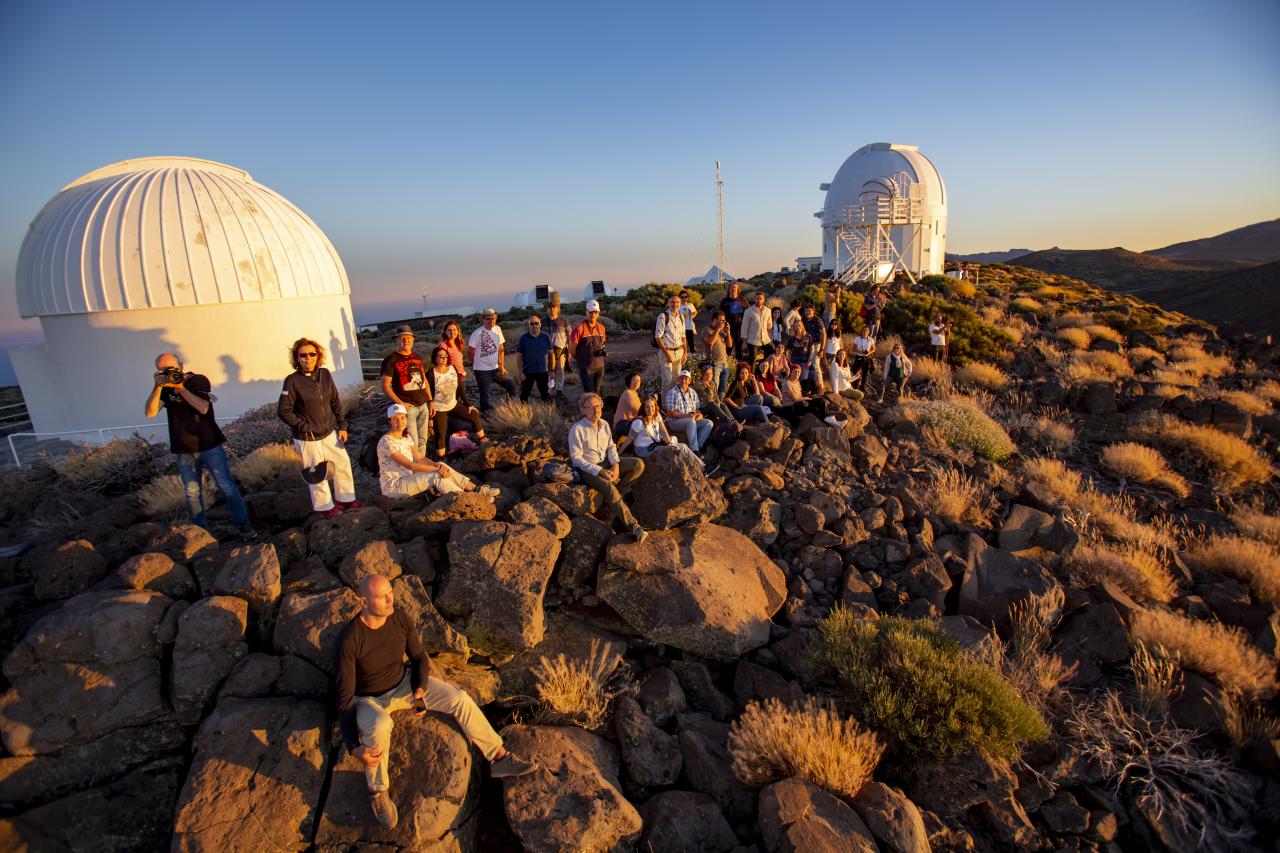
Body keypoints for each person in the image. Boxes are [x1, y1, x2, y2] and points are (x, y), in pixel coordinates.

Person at [337, 573, 535, 829]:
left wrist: (419, 691)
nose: (390, 599)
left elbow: (419, 658)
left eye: (390, 592)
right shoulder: (350, 640)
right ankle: (378, 792)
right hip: (369, 699)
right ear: (364, 601)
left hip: (405, 685)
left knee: (459, 698)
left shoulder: (399, 618)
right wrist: (354, 747)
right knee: (380, 726)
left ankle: (498, 758)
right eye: (382, 596)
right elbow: (343, 699)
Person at [144, 352, 254, 537]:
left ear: (180, 365)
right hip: (184, 449)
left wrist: (180, 388)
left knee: (226, 485)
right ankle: (199, 531)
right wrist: (157, 387)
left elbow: (203, 407)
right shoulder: (164, 388)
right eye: (162, 370)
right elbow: (150, 413)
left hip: (209, 445)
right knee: (192, 492)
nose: (168, 372)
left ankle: (243, 523)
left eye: (171, 368)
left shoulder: (198, 381)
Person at [278, 339, 362, 519]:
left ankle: (345, 499)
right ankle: (325, 507)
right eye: (303, 355)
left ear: (318, 355)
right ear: (297, 358)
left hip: (329, 432)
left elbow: (335, 402)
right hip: (307, 437)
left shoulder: (324, 374)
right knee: (317, 473)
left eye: (312, 354)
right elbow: (284, 411)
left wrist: (342, 426)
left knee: (342, 463)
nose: (308, 358)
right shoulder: (292, 381)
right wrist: (304, 426)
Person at [568, 394, 647, 543]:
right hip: (588, 469)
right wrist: (600, 471)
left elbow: (611, 446)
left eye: (598, 405)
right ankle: (634, 527)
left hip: (606, 462)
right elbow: (576, 459)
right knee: (609, 488)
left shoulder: (604, 424)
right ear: (583, 410)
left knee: (638, 464)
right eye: (591, 406)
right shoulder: (577, 429)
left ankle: (616, 497)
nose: (596, 409)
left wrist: (615, 464)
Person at [377, 404, 499, 499]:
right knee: (436, 474)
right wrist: (436, 469)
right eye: (395, 419)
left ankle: (476, 489)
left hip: (409, 478)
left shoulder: (406, 437)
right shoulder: (387, 442)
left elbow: (421, 459)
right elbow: (411, 465)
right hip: (394, 486)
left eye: (402, 418)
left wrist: (438, 466)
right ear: (389, 421)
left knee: (441, 465)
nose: (400, 422)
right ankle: (467, 499)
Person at [379, 325, 434, 457]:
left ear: (413, 340)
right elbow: (385, 385)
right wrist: (400, 403)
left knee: (423, 440)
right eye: (402, 337)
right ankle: (414, 468)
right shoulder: (390, 360)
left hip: (423, 405)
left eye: (409, 338)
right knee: (412, 441)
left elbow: (424, 380)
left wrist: (430, 401)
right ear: (396, 340)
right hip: (408, 408)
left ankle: (421, 465)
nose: (406, 340)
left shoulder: (416, 356)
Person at [424, 346, 487, 459]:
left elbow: (460, 388)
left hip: (453, 404)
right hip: (439, 409)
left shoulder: (452, 368)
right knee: (440, 434)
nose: (444, 359)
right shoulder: (430, 374)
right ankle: (442, 460)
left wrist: (468, 404)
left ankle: (483, 440)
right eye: (441, 356)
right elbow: (427, 397)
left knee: (474, 415)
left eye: (446, 356)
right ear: (435, 358)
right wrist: (430, 418)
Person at [467, 308, 517, 412]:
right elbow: (470, 351)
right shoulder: (477, 333)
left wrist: (501, 365)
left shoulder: (497, 329)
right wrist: (474, 365)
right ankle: (487, 416)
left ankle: (509, 407)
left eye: (493, 318)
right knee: (485, 396)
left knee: (511, 385)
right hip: (482, 370)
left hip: (496, 368)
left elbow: (501, 348)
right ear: (482, 319)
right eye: (488, 319)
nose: (491, 321)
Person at [662, 369, 713, 452]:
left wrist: (699, 416)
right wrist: (686, 416)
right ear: (678, 380)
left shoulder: (693, 392)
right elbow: (670, 412)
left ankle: (699, 446)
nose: (684, 381)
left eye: (686, 379)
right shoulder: (672, 392)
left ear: (689, 381)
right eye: (681, 378)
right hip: (675, 422)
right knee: (691, 422)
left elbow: (697, 409)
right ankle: (694, 449)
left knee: (708, 423)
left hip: (691, 420)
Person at [775, 364, 843, 427]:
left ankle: (830, 420)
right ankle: (831, 420)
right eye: (795, 371)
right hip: (790, 407)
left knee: (818, 404)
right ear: (791, 372)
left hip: (798, 403)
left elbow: (799, 397)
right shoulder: (787, 383)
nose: (797, 374)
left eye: (799, 372)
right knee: (816, 405)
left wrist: (804, 401)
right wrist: (806, 398)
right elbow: (795, 399)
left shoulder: (797, 382)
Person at [569, 299, 608, 395]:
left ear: (598, 313)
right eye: (590, 312)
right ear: (586, 312)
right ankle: (586, 409)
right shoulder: (579, 329)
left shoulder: (601, 328)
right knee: (590, 395)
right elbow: (572, 349)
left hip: (599, 367)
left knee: (597, 393)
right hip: (587, 368)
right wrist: (581, 359)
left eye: (595, 312)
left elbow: (602, 344)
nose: (593, 314)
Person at [515, 315, 552, 402]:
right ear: (529, 325)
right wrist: (520, 372)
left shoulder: (546, 337)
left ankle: (546, 412)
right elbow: (519, 356)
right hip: (527, 372)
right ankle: (522, 413)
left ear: (540, 325)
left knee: (545, 395)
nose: (534, 325)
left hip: (543, 371)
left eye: (536, 323)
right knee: (524, 395)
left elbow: (551, 354)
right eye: (532, 324)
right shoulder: (523, 338)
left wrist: (552, 369)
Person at [654, 293, 686, 389]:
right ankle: (665, 403)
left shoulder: (681, 316)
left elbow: (683, 336)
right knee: (667, 381)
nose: (675, 304)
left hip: (679, 351)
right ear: (668, 303)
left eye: (677, 302)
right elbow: (658, 337)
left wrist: (685, 352)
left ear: (680, 303)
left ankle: (673, 402)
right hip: (667, 351)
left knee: (677, 380)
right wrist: (667, 354)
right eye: (672, 302)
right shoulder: (663, 317)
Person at [702, 310, 734, 395]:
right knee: (714, 389)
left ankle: (719, 405)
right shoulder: (706, 330)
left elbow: (729, 345)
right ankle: (715, 406)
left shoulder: (722, 331)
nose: (722, 323)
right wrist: (718, 329)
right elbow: (710, 342)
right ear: (714, 320)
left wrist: (728, 331)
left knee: (722, 389)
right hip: (714, 364)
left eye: (723, 321)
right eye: (720, 321)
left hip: (724, 364)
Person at [545, 297, 572, 397]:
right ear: (547, 309)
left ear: (557, 309)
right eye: (550, 308)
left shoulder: (564, 320)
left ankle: (559, 389)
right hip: (547, 351)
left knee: (560, 370)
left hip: (561, 351)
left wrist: (569, 351)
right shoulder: (542, 321)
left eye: (553, 307)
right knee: (549, 370)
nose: (552, 309)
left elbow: (569, 336)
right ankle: (549, 390)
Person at [739, 290, 773, 366]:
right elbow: (744, 327)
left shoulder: (768, 311)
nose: (759, 300)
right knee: (753, 360)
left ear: (764, 300)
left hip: (765, 339)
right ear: (754, 299)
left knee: (773, 350)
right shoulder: (748, 311)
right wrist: (744, 342)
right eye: (757, 298)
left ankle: (762, 367)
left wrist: (767, 334)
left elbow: (769, 325)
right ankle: (752, 376)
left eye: (761, 299)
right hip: (753, 340)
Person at [801, 304, 827, 394]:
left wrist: (822, 349)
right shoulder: (803, 319)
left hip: (816, 345)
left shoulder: (817, 320)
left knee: (815, 365)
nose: (807, 312)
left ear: (813, 311)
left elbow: (824, 334)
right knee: (807, 365)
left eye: (809, 310)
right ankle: (808, 387)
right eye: (806, 311)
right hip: (806, 345)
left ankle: (820, 388)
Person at [719, 281, 748, 358]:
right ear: (729, 289)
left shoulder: (743, 300)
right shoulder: (725, 301)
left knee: (739, 345)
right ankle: (727, 360)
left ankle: (739, 362)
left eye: (735, 287)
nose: (733, 289)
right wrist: (723, 325)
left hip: (740, 327)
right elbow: (720, 314)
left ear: (738, 289)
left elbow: (748, 312)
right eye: (731, 287)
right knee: (728, 345)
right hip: (728, 327)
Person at [612, 372, 644, 439]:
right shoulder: (628, 394)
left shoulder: (634, 393)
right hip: (621, 424)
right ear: (629, 381)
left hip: (626, 423)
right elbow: (640, 411)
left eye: (638, 381)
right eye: (634, 380)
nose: (636, 382)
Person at [678, 290, 698, 357]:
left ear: (687, 297)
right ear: (680, 297)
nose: (684, 298)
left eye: (685, 297)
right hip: (681, 327)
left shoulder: (690, 305)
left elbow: (695, 312)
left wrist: (691, 316)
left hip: (689, 326)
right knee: (682, 344)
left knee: (691, 343)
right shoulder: (678, 306)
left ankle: (693, 358)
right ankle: (682, 357)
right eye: (682, 297)